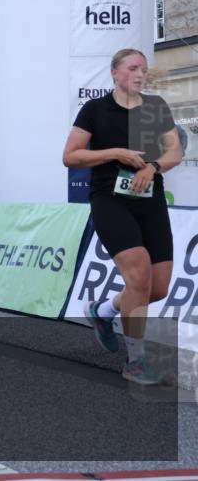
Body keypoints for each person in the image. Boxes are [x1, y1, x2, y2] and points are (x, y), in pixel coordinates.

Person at [63, 48, 182, 385]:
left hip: (150, 199)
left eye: (144, 69)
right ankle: (137, 360)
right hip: (110, 200)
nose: (140, 74)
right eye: (132, 68)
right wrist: (115, 152)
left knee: (156, 288)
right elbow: (70, 156)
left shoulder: (156, 107)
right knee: (139, 275)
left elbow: (175, 150)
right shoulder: (95, 110)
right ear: (115, 73)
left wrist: (155, 166)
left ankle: (102, 311)